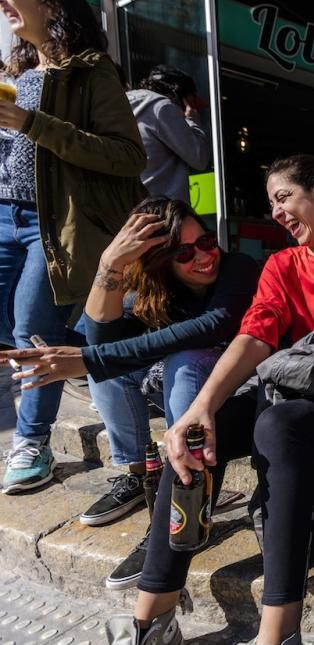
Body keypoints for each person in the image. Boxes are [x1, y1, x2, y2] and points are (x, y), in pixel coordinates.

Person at [98, 155, 314, 645]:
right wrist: (200, 409)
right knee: (193, 436)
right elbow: (254, 335)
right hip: (288, 391)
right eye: (271, 203)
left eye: (283, 198)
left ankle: (277, 638)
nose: (275, 212)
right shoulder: (283, 265)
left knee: (279, 425)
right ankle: (150, 621)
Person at [2, 196, 259, 588]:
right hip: (180, 395)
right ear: (159, 261)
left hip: (237, 394)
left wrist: (92, 357)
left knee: (183, 359)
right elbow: (100, 335)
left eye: (206, 241)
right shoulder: (153, 290)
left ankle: (184, 504)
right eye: (184, 252)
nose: (204, 256)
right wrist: (110, 263)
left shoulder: (237, 268)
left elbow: (214, 326)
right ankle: (143, 480)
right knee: (109, 369)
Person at [0, 0, 147, 494]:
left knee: (29, 324)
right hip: (3, 213)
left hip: (55, 222)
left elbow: (127, 156)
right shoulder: (13, 71)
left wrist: (32, 124)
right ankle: (100, 356)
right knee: (16, 325)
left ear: (51, 4)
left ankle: (32, 439)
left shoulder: (89, 71)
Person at [127, 65, 211, 202]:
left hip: (133, 210)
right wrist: (192, 121)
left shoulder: (128, 102)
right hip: (163, 211)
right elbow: (199, 158)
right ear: (178, 96)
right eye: (190, 103)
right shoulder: (162, 107)